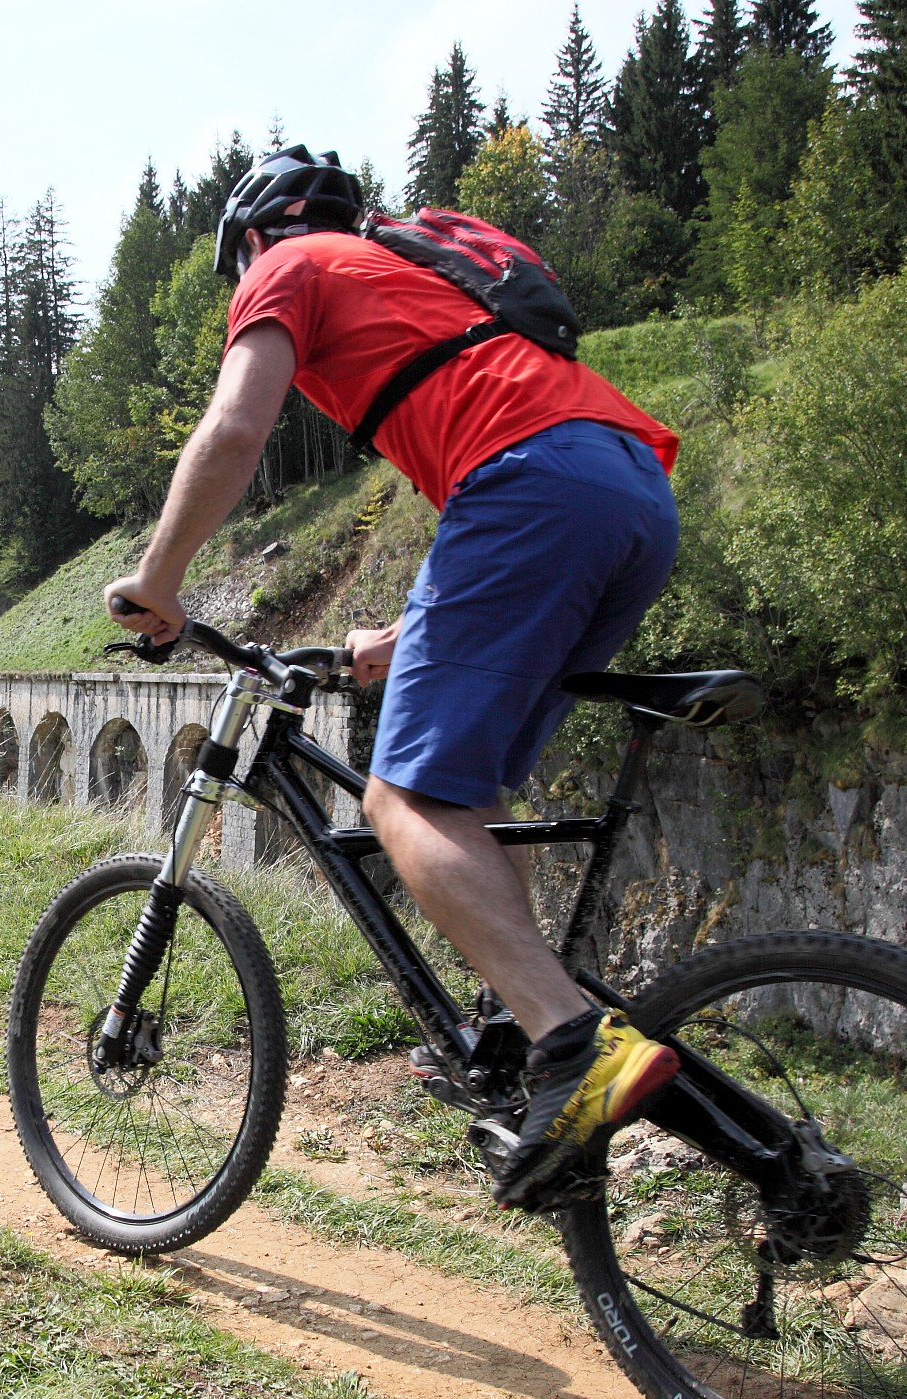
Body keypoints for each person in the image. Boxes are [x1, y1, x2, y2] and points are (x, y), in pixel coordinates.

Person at [104, 145, 682, 1210]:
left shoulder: (291, 263)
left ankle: (567, 1042)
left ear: (249, 243)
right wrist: (412, 628)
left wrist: (160, 579)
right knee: (459, 791)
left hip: (530, 484)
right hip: (627, 485)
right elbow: (505, 449)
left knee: (397, 796)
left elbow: (234, 429)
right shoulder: (408, 279)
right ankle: (520, 1030)